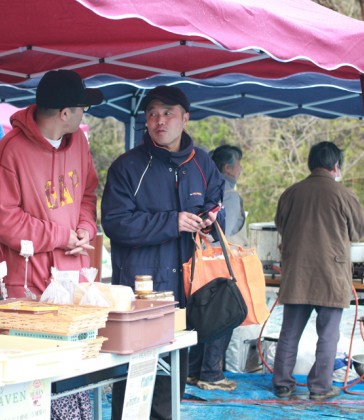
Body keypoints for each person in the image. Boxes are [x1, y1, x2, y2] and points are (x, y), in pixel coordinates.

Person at [0, 70, 102, 418]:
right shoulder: (9, 151)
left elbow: (87, 193)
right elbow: (2, 219)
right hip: (30, 286)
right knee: (37, 385)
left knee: (76, 379)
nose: (84, 115)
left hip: (75, 283)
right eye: (82, 108)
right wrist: (61, 236)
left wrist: (84, 228)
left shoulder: (78, 141)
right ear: (65, 113)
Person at [102, 86, 225, 419]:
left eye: (168, 113)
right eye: (153, 113)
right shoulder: (127, 167)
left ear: (185, 118)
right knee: (134, 382)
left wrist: (213, 219)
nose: (159, 121)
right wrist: (171, 222)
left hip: (186, 290)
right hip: (141, 291)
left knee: (172, 384)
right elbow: (115, 223)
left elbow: (217, 203)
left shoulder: (202, 162)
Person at [272, 141, 364, 401]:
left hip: (297, 273)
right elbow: (360, 231)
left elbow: (280, 224)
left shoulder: (291, 193)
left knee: (289, 332)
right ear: (336, 166)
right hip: (331, 273)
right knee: (328, 335)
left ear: (310, 164)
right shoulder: (344, 195)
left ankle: (282, 383)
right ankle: (319, 388)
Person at [187, 144, 246, 392]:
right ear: (227, 167)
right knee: (224, 315)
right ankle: (211, 374)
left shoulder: (201, 186)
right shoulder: (229, 194)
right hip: (223, 263)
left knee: (205, 315)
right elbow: (226, 232)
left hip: (202, 262)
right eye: (239, 164)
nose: (240, 169)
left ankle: (193, 370)